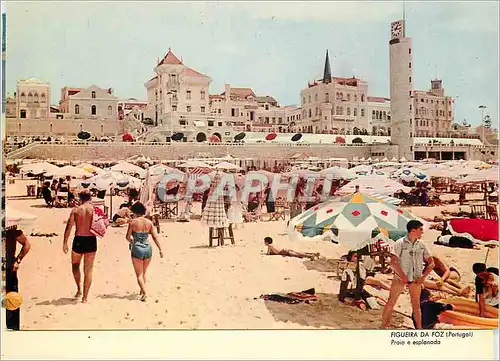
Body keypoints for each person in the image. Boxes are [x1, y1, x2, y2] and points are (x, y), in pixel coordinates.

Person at [381, 220, 435, 329]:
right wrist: (402, 276)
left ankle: (419, 329)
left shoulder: (422, 245)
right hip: (400, 278)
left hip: (416, 280)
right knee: (391, 302)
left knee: (416, 306)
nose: (422, 232)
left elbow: (431, 263)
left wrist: (423, 277)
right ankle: (383, 326)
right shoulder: (400, 243)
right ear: (413, 230)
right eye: (421, 229)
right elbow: (393, 262)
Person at [62, 190, 97, 303]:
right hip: (91, 239)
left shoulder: (76, 210)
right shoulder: (95, 210)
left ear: (80, 198)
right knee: (89, 270)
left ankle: (79, 289)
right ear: (90, 198)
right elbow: (103, 225)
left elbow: (69, 226)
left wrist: (65, 242)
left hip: (79, 240)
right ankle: (85, 298)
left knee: (75, 266)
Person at [126, 202, 163, 301]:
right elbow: (155, 237)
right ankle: (142, 290)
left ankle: (144, 292)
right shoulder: (149, 222)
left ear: (135, 212)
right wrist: (160, 249)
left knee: (139, 274)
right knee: (144, 272)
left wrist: (132, 242)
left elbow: (127, 237)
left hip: (137, 248)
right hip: (148, 248)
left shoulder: (132, 222)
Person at [4, 226, 32, 330]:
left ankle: (12, 328)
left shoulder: (11, 229)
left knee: (12, 300)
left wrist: (18, 260)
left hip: (9, 269)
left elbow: (27, 244)